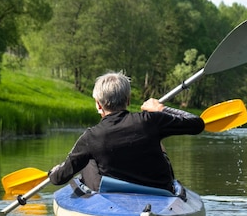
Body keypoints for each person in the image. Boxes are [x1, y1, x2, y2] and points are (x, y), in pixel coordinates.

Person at [48, 71, 204, 193]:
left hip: (115, 192)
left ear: (98, 105)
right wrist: (161, 110)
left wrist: (52, 172)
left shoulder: (91, 136)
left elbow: (60, 178)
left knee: (88, 160)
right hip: (160, 190)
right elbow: (197, 124)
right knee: (160, 147)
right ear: (128, 100)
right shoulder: (150, 120)